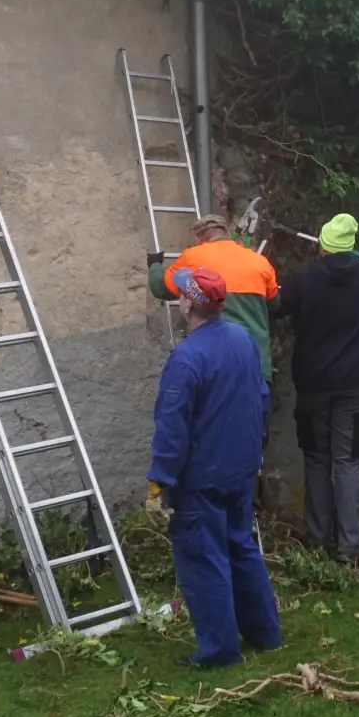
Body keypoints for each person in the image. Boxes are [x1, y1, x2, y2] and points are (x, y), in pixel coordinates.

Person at [144, 267, 281, 667]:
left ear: (187, 303)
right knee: (241, 547)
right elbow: (260, 397)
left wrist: (158, 483)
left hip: (201, 479)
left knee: (203, 559)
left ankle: (220, 652)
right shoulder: (243, 339)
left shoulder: (187, 359)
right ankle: (264, 632)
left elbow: (173, 427)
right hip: (240, 469)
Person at [273, 213, 359, 564]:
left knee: (317, 460)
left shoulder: (304, 279)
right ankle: (348, 549)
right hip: (353, 387)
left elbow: (273, 305)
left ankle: (316, 540)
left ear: (322, 244)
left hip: (312, 386)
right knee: (347, 464)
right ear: (351, 246)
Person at [149, 214, 281, 515]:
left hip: (214, 369)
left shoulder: (194, 257)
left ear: (200, 237)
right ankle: (249, 507)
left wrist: (155, 264)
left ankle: (211, 510)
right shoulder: (258, 263)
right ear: (227, 234)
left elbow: (161, 288)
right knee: (251, 436)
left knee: (211, 436)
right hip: (255, 368)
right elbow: (275, 304)